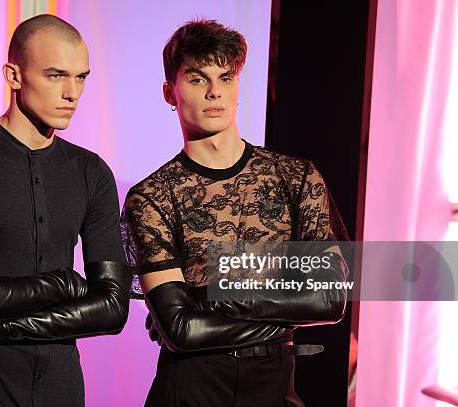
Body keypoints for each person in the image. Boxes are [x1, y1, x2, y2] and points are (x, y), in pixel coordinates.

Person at [121, 19, 349, 406]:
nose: (214, 92)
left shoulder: (296, 177)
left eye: (226, 78)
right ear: (169, 92)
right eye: (197, 79)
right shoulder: (152, 196)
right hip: (190, 387)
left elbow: (329, 300)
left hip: (275, 384)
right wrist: (281, 317)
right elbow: (180, 330)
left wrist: (208, 293)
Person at [0, 14, 130, 406]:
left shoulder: (92, 172)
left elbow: (113, 307)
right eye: (56, 75)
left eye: (81, 77)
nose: (72, 92)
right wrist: (65, 284)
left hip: (61, 387)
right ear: (14, 76)